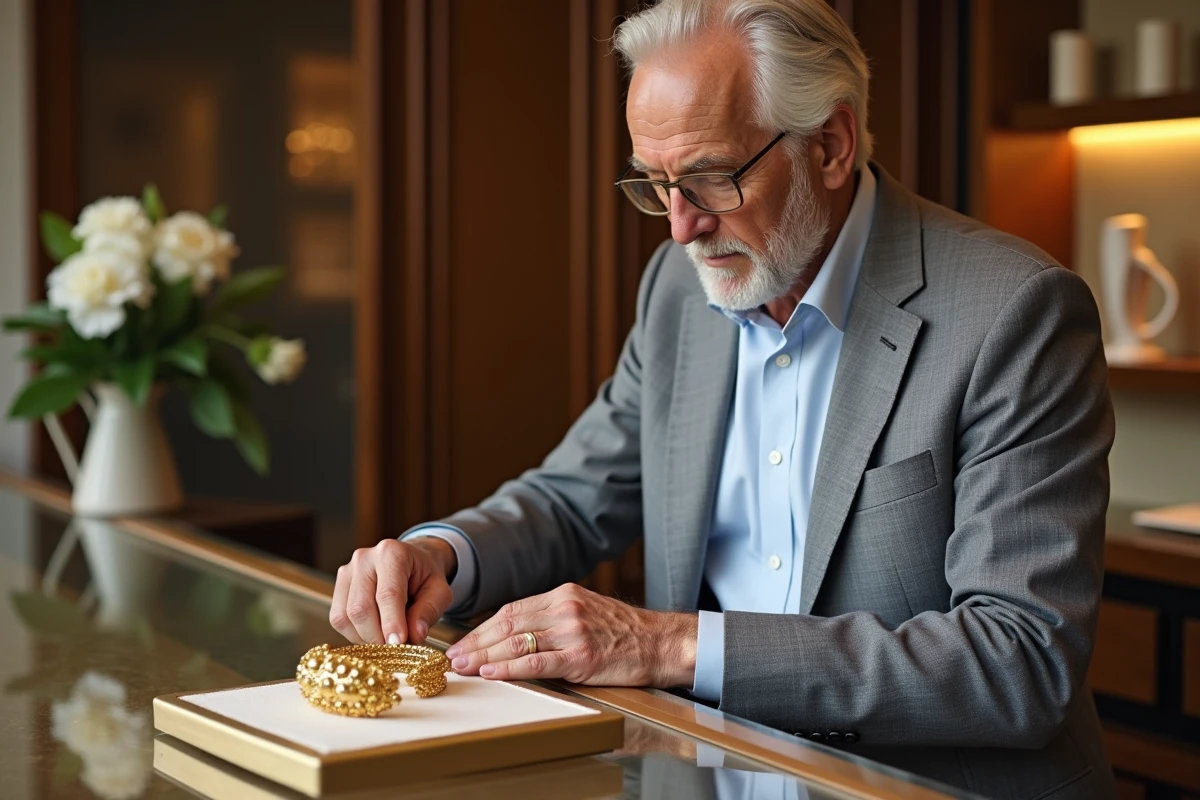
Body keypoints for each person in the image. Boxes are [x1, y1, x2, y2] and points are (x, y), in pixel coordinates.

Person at [330, 1, 1116, 797]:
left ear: (832, 146)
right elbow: (574, 498)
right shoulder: (679, 287)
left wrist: (669, 647)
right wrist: (440, 554)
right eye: (655, 183)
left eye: (711, 178)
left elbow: (1019, 661)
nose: (681, 227)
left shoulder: (1015, 312)